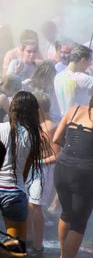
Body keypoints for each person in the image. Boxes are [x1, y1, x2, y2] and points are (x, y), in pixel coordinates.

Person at [0, 91, 45, 244]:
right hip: (15, 193)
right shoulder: (32, 136)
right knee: (16, 246)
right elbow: (25, 172)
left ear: (12, 108)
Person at [52, 95, 93, 258]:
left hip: (62, 169)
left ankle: (64, 254)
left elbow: (56, 138)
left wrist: (72, 154)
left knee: (67, 214)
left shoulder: (73, 110)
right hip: (84, 175)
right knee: (79, 223)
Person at [26, 91, 58, 257]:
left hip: (43, 170)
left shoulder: (50, 127)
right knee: (29, 205)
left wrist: (36, 162)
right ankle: (30, 239)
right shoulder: (33, 124)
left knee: (36, 206)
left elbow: (56, 155)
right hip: (31, 169)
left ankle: (38, 246)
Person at [54, 44, 93, 117]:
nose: (90, 64)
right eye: (89, 61)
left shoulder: (58, 77)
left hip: (65, 121)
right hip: (80, 122)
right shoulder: (80, 77)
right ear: (83, 61)